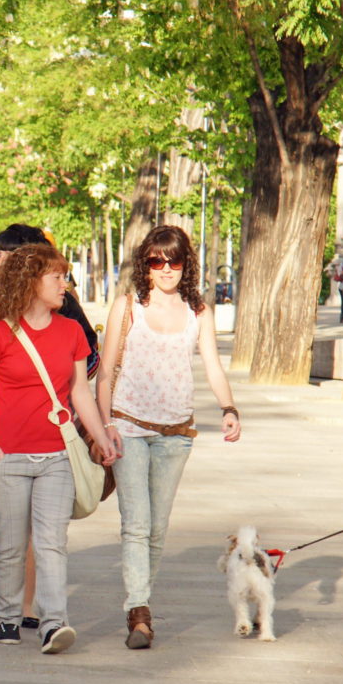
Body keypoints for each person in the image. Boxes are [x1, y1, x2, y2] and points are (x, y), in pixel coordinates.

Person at [0, 243, 115, 654]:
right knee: (11, 544)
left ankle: (53, 624)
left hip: (57, 458)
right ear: (31, 281)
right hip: (8, 456)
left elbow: (79, 391)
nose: (64, 284)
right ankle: (9, 616)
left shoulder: (71, 331)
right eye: (56, 277)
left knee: (51, 543)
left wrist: (101, 437)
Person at [96, 225, 241, 650]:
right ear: (146, 264)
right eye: (156, 261)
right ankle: (139, 611)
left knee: (158, 527)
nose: (165, 270)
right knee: (137, 523)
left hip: (177, 431)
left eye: (173, 261)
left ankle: (140, 603)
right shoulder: (127, 307)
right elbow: (104, 373)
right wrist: (104, 425)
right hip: (126, 425)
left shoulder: (199, 312)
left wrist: (229, 408)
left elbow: (213, 366)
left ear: (185, 264)